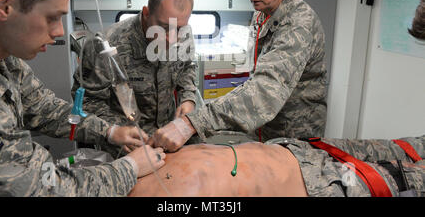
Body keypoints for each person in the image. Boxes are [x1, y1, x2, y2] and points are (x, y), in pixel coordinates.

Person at [0, 0, 165, 196]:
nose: (59, 32)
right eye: (52, 17)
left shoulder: (6, 64)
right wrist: (130, 168)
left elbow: (45, 108)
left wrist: (109, 132)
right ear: (4, 5)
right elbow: (43, 189)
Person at [150, 0, 327, 151]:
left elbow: (265, 90)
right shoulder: (261, 15)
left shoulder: (299, 23)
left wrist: (193, 122)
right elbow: (256, 76)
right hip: (264, 128)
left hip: (294, 137)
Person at [72, 0, 198, 145]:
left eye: (180, 28)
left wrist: (188, 98)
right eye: (164, 27)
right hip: (124, 144)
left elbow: (187, 67)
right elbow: (87, 103)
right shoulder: (105, 45)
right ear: (146, 13)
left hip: (168, 137)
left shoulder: (183, 35)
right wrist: (115, 132)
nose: (172, 39)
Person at [130, 135, 424, 197]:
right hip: (322, 184)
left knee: (395, 147)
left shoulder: (129, 167)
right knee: (403, 176)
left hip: (297, 148)